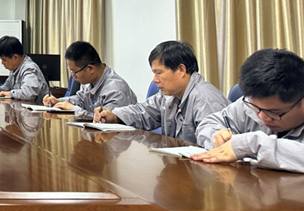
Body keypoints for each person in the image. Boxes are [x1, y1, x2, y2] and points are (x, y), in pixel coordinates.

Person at [192, 49, 304, 176]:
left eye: (274, 112)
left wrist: (253, 145)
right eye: (256, 108)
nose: (262, 117)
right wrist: (217, 136)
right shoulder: (254, 104)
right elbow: (209, 122)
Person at [95, 40, 229, 144]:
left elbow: (216, 146)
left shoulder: (206, 100)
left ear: (181, 70)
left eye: (159, 73)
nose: (154, 80)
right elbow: (143, 112)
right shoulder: (169, 95)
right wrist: (115, 116)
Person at [43, 41, 137, 116]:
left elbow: (104, 121)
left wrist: (74, 110)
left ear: (90, 69)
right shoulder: (89, 80)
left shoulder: (115, 91)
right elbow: (80, 99)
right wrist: (59, 102)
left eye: (74, 72)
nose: (73, 76)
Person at [0, 36, 48, 104]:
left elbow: (28, 93)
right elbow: (7, 86)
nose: (2, 63)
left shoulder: (30, 69)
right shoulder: (14, 68)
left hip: (37, 109)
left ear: (15, 57)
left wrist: (10, 94)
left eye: (4, 60)